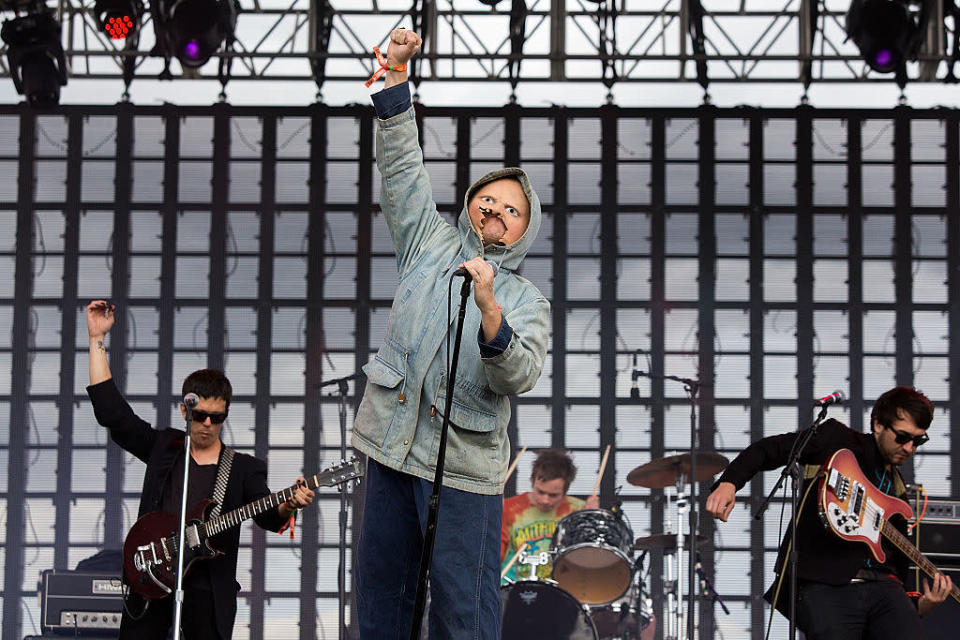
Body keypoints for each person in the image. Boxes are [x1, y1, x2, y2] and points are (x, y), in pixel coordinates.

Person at [351, 28, 551, 640]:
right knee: (383, 597)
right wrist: (396, 79)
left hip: (464, 469)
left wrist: (490, 306)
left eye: (510, 209)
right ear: (469, 206)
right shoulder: (428, 244)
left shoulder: (527, 298)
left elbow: (521, 373)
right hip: (392, 448)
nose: (495, 211)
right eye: (487, 200)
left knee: (463, 611)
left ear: (524, 230)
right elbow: (403, 171)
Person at [85, 300, 315, 640]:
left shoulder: (242, 469)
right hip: (152, 576)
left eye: (216, 417)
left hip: (207, 594)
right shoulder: (165, 448)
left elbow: (269, 514)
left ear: (225, 415)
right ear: (184, 410)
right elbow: (113, 416)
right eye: (200, 415)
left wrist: (290, 503)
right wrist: (96, 339)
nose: (207, 424)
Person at [706, 385, 954, 639]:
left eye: (918, 440)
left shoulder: (898, 489)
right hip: (828, 581)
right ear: (878, 424)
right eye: (902, 437)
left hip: (885, 587)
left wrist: (918, 605)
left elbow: (896, 559)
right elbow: (769, 449)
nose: (910, 448)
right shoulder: (838, 441)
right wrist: (729, 483)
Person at [500, 448, 600, 582]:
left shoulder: (578, 510)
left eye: (553, 495)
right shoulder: (509, 508)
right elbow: (491, 555)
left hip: (560, 589)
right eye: (540, 492)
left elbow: (590, 561)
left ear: (565, 491)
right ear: (533, 482)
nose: (545, 500)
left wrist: (591, 521)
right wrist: (491, 516)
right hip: (512, 588)